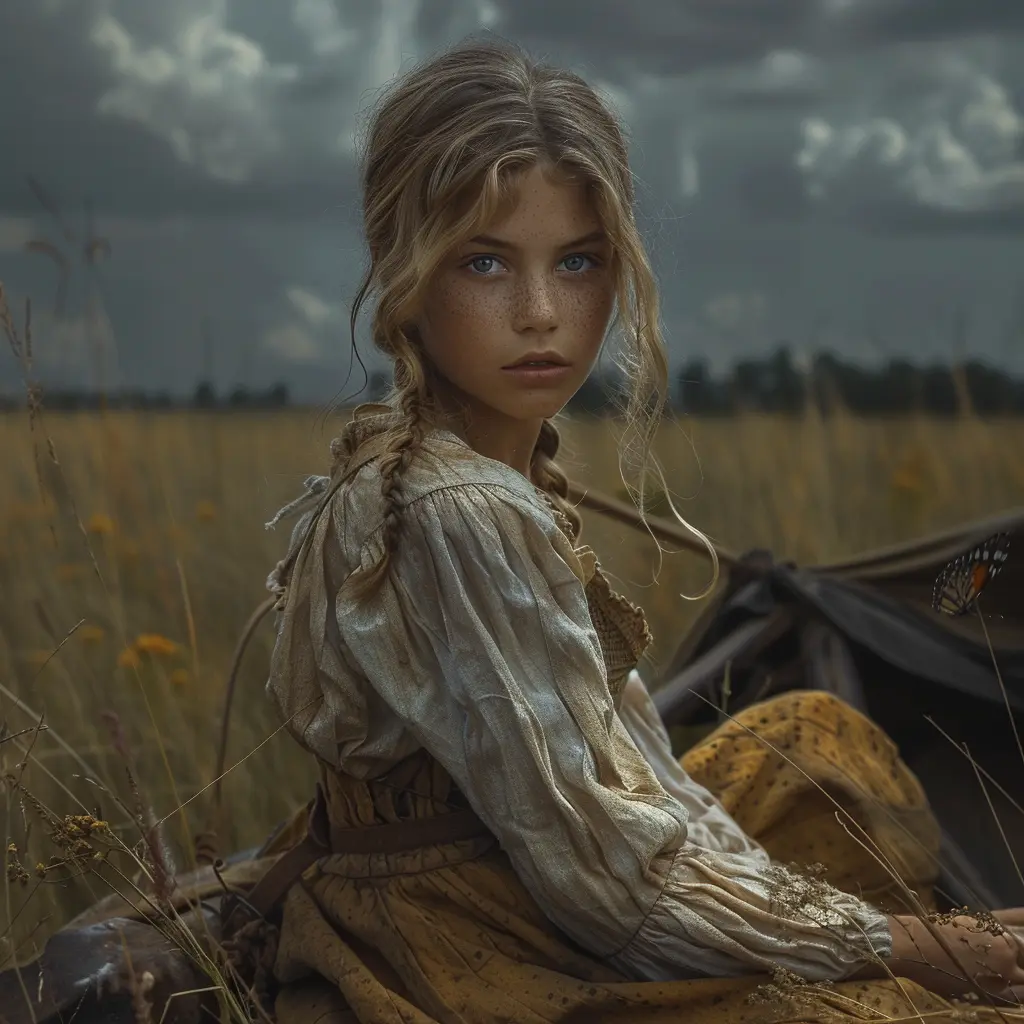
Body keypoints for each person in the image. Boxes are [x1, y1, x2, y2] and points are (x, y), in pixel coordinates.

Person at [253, 34, 1024, 1024]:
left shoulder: (482, 472)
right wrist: (907, 950)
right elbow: (608, 883)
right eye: (484, 261)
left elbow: (639, 781)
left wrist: (837, 930)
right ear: (405, 270)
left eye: (576, 262)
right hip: (475, 941)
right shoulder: (459, 510)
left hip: (534, 885)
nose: (540, 313)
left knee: (811, 743)